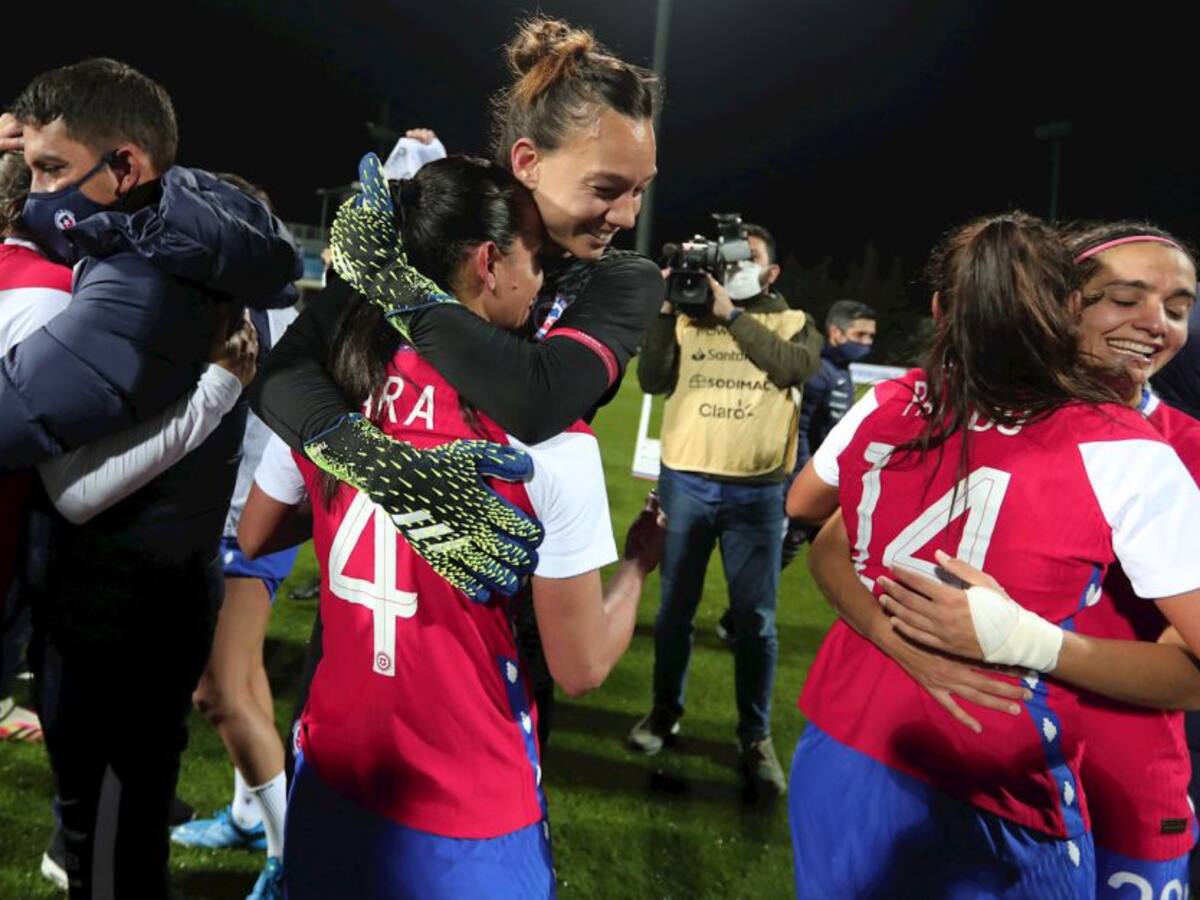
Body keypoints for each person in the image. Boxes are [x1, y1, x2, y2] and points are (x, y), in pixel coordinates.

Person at [245, 154, 663, 898]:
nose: (542, 285)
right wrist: (637, 566)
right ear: (488, 263)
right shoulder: (550, 442)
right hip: (467, 798)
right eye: (535, 263)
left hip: (334, 768)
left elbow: (257, 533)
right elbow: (582, 666)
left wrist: (368, 486)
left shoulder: (340, 381)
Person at [253, 16, 663, 748]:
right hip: (368, 634)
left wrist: (395, 288)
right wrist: (371, 459)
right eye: (607, 187)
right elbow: (282, 371)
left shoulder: (619, 281)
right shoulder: (431, 229)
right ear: (528, 161)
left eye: (641, 191)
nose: (626, 216)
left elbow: (537, 397)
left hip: (502, 616)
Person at [784, 212, 1200, 898]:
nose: (1155, 322)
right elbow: (829, 545)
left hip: (1118, 770)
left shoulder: (907, 400)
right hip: (991, 755)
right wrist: (910, 642)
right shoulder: (1114, 446)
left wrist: (1025, 641)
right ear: (1060, 304)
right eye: (1125, 299)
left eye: (1179, 309)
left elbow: (811, 517)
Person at [4, 59, 300, 898]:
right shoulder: (174, 244)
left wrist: (213, 398)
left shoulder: (145, 280)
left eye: (52, 169)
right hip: (154, 590)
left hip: (117, 610)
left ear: (127, 166)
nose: (38, 194)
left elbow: (66, 483)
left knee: (108, 846)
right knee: (118, 835)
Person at [627, 223, 821, 795]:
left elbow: (791, 367)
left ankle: (754, 736)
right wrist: (667, 307)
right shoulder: (689, 316)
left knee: (755, 622)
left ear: (771, 272)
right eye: (727, 257)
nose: (734, 266)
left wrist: (732, 315)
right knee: (674, 612)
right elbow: (651, 378)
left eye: (747, 257)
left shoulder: (794, 321)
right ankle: (664, 712)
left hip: (757, 493)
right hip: (687, 482)